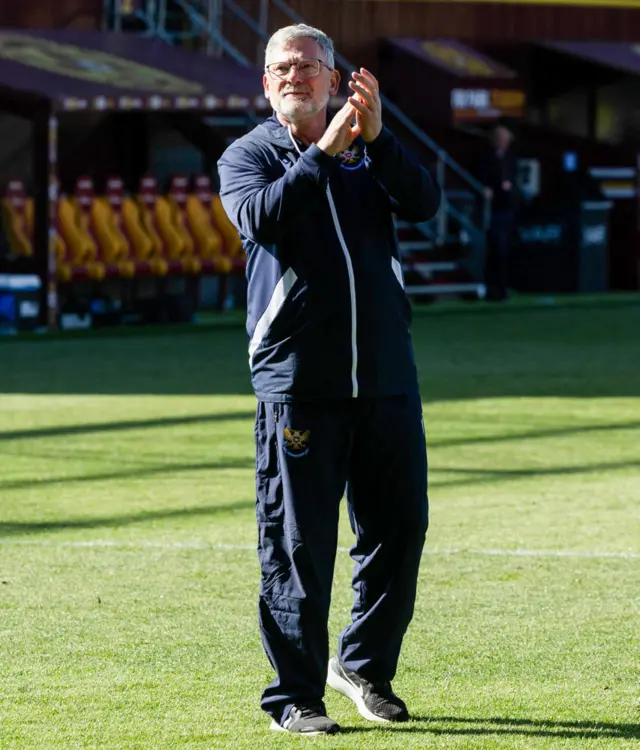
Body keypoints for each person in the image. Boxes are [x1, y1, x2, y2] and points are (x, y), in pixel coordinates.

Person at [217, 23, 441, 736]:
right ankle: (294, 697)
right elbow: (264, 217)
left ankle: (364, 669)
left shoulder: (369, 153)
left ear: (334, 76)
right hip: (298, 381)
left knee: (400, 529)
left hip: (385, 377)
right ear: (265, 83)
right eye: (281, 67)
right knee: (297, 544)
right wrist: (323, 152)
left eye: (309, 66)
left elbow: (426, 203)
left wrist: (375, 142)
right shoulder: (247, 155)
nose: (294, 76)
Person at [475, 123, 519, 301]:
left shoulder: (511, 159)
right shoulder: (485, 158)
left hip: (508, 210)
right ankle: (493, 289)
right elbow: (481, 180)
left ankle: (503, 288)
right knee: (495, 250)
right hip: (494, 212)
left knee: (506, 251)